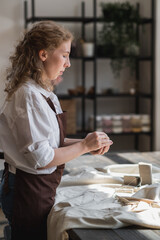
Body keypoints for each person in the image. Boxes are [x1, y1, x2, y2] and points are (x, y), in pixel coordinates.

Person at [0, 21, 113, 240]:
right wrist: (83, 145)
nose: (68, 63)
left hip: (38, 188)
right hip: (27, 191)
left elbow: (52, 142)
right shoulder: (28, 95)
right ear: (43, 54)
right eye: (64, 55)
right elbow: (41, 158)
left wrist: (89, 145)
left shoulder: (44, 93)